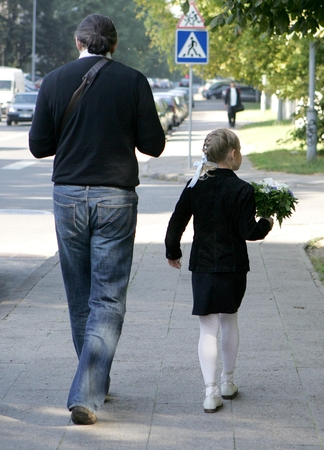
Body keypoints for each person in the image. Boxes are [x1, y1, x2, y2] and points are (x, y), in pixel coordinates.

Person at [28, 14, 166, 425]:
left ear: (78, 42)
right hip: (115, 198)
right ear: (114, 46)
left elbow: (38, 147)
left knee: (79, 295)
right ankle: (89, 388)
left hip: (68, 196)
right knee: (107, 298)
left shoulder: (53, 81)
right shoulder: (133, 81)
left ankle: (91, 384)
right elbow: (154, 145)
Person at [165, 128, 273, 413]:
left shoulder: (194, 185)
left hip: (202, 265)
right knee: (229, 320)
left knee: (207, 329)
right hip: (233, 266)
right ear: (233, 154)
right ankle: (228, 381)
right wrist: (267, 223)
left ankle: (210, 392)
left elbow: (177, 221)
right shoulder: (242, 189)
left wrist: (172, 251)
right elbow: (249, 231)